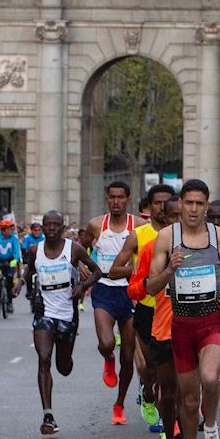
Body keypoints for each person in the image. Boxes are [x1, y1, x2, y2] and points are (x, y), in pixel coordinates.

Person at [143, 178, 220, 439]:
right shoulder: (167, 238)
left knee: (208, 377)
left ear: (206, 206)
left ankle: (213, 429)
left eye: (199, 204)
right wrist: (169, 271)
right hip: (181, 324)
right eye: (188, 203)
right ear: (181, 205)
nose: (193, 209)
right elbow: (150, 287)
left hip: (212, 321)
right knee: (188, 402)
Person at [18, 211, 103, 435]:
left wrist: (82, 287)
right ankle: (48, 415)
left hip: (67, 315)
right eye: (48, 225)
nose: (52, 228)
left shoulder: (73, 249)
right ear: (42, 227)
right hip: (44, 313)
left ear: (62, 227)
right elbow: (30, 268)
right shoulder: (35, 250)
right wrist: (20, 283)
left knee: (63, 367)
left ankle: (66, 359)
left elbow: (97, 271)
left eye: (56, 225)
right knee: (43, 358)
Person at [123, 192, 182, 439]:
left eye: (185, 217)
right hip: (158, 322)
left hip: (197, 326)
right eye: (174, 218)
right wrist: (154, 281)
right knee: (164, 386)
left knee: (195, 388)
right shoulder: (151, 248)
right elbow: (134, 288)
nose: (180, 223)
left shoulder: (208, 248)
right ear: (165, 220)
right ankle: (169, 437)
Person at [80, 182, 142, 425]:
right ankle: (107, 359)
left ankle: (119, 403)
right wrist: (81, 266)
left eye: (121, 197)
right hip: (104, 288)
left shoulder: (138, 225)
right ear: (107, 199)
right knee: (106, 343)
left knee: (128, 355)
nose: (116, 202)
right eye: (112, 197)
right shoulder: (97, 224)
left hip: (129, 291)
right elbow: (80, 248)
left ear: (128, 199)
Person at [0, 217, 22, 317]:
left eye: (12, 228)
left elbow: (16, 251)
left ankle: (9, 302)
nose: (11, 231)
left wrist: (15, 260)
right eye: (9, 229)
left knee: (9, 280)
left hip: (9, 261)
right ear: (3, 230)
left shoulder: (14, 238)